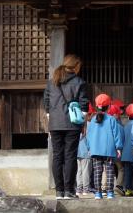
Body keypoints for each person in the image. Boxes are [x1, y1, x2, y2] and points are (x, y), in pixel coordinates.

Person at [43, 54, 88, 200]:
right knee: (70, 156)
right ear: (75, 66)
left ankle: (59, 191)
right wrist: (83, 121)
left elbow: (46, 103)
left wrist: (51, 118)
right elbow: (84, 105)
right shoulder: (79, 82)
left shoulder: (52, 82)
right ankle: (69, 191)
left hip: (55, 124)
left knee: (57, 156)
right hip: (72, 124)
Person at [87, 94, 123, 200]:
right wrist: (118, 147)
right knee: (110, 171)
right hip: (109, 150)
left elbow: (89, 136)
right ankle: (110, 193)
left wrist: (89, 148)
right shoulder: (111, 119)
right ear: (108, 106)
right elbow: (116, 134)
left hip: (95, 150)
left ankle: (98, 194)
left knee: (97, 172)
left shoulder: (93, 120)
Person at [107, 104, 126, 196]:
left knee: (107, 169)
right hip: (117, 152)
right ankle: (118, 186)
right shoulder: (120, 126)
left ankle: (105, 187)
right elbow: (122, 139)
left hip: (106, 151)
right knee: (121, 168)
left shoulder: (104, 123)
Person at [76, 113, 92, 196]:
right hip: (86, 151)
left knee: (79, 171)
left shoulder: (76, 124)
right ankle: (86, 189)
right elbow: (90, 139)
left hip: (77, 151)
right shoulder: (89, 125)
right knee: (86, 171)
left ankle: (79, 189)